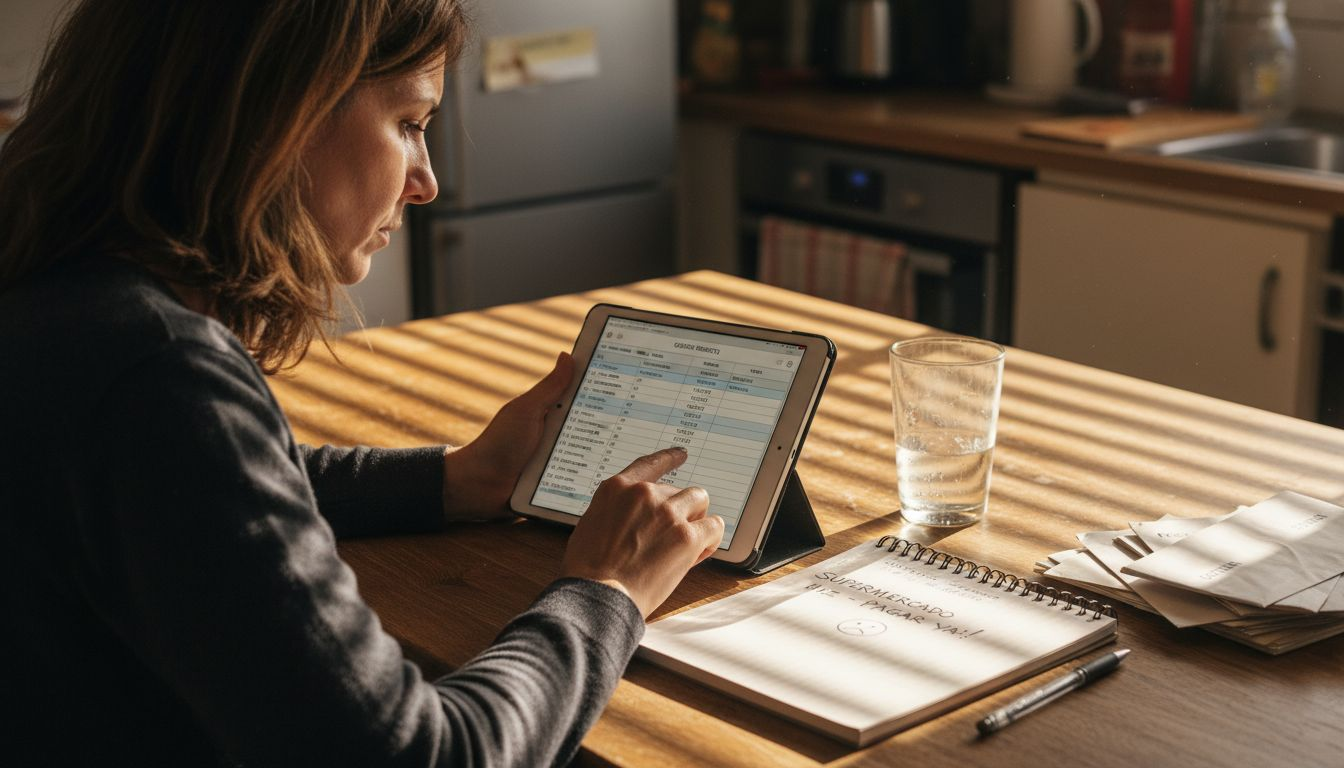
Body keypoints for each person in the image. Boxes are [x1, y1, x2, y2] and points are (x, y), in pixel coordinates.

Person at [0, 1, 724, 765]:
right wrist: (606, 590)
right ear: (282, 111)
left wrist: (457, 479)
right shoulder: (156, 375)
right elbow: (426, 755)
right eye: (411, 123)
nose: (427, 182)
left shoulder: (64, 296)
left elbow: (208, 484)